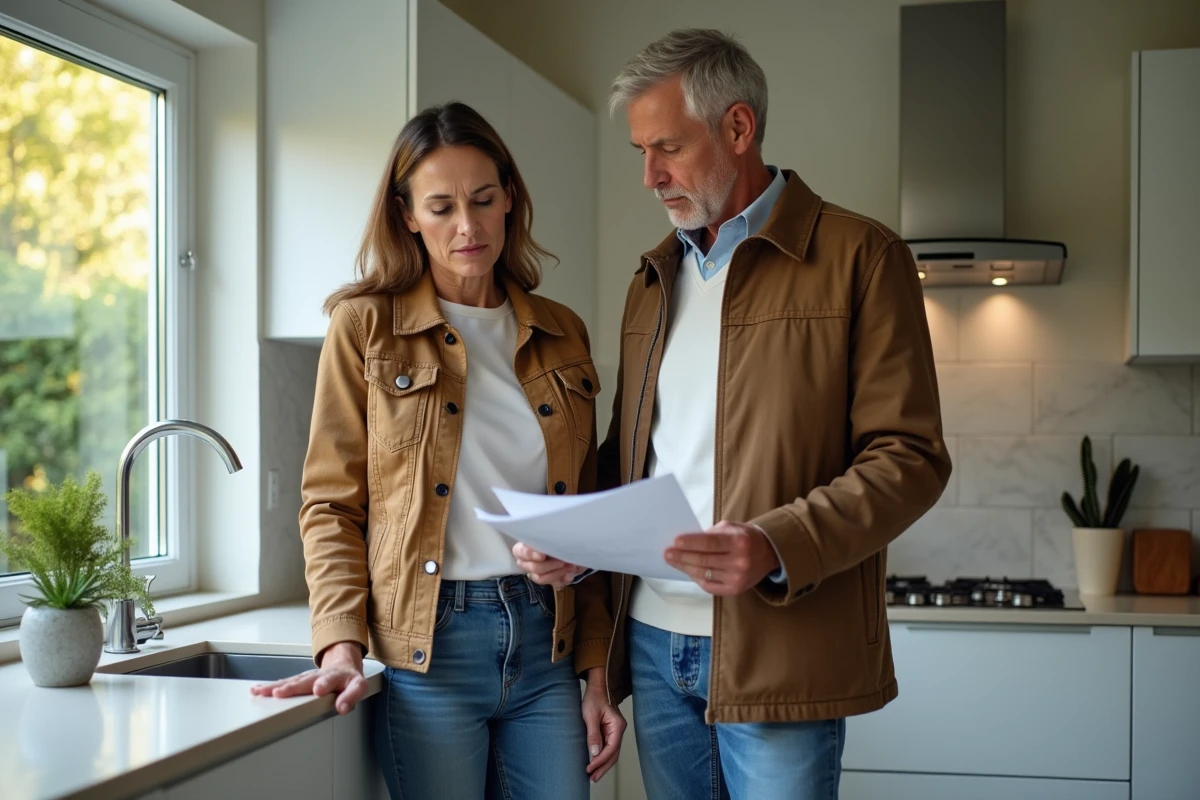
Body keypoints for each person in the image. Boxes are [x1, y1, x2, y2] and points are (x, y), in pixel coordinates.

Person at [517, 29, 951, 799]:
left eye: (668, 149)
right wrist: (579, 544)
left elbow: (909, 457)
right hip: (652, 645)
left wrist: (774, 544)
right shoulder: (653, 278)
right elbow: (635, 457)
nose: (650, 176)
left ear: (739, 128)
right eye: (640, 153)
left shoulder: (862, 257)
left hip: (781, 648)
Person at [252, 101, 625, 799]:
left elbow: (591, 515)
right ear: (406, 215)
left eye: (484, 199)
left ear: (510, 198)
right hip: (428, 648)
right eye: (442, 206)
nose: (467, 226)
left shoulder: (562, 331)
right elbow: (331, 502)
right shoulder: (365, 327)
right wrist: (340, 645)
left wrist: (598, 672)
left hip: (548, 642)